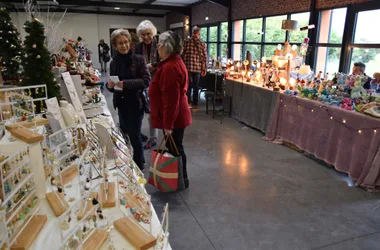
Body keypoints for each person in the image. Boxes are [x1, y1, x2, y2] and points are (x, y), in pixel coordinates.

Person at [149, 31, 192, 189]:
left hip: (175, 117)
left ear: (167, 47)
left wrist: (168, 125)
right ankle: (180, 179)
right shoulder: (173, 62)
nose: (157, 48)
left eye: (159, 44)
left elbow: (171, 100)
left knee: (176, 149)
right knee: (176, 147)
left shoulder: (170, 67)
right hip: (176, 115)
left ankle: (180, 180)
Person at [106, 29, 151, 171]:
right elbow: (114, 85)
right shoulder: (113, 63)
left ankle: (139, 164)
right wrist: (110, 86)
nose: (124, 46)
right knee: (125, 131)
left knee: (135, 135)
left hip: (135, 103)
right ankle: (128, 158)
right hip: (121, 103)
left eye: (126, 42)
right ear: (115, 45)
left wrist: (126, 83)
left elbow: (146, 81)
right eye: (120, 43)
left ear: (130, 43)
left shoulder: (139, 59)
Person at [135, 20, 160, 150]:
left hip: (158, 82)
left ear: (153, 33)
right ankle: (139, 133)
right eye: (143, 34)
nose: (146, 37)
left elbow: (165, 62)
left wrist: (154, 66)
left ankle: (154, 138)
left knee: (152, 111)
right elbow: (135, 64)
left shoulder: (160, 45)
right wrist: (144, 68)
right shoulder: (138, 47)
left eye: (148, 34)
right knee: (140, 109)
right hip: (143, 81)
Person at [182, 26, 207, 110]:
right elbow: (204, 57)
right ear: (199, 33)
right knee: (196, 86)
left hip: (187, 67)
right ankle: (195, 104)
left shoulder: (186, 41)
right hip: (197, 68)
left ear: (192, 33)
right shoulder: (202, 43)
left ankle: (188, 102)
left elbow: (181, 54)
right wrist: (204, 69)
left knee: (187, 85)